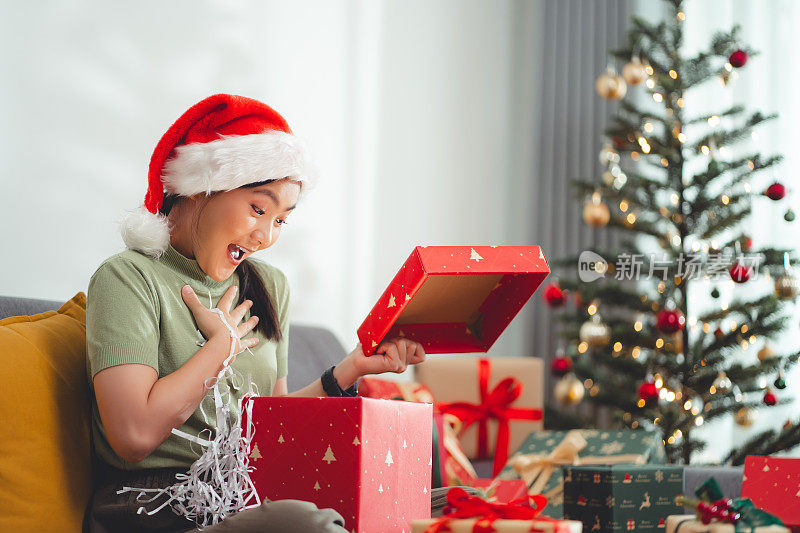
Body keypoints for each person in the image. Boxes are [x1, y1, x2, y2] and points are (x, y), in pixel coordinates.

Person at [83, 94, 427, 532]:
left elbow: (268, 426)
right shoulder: (128, 277)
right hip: (150, 508)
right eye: (258, 208)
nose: (265, 235)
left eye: (282, 220)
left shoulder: (268, 285)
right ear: (199, 188)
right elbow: (133, 437)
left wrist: (349, 370)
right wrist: (218, 350)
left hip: (244, 496)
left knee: (445, 506)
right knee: (305, 524)